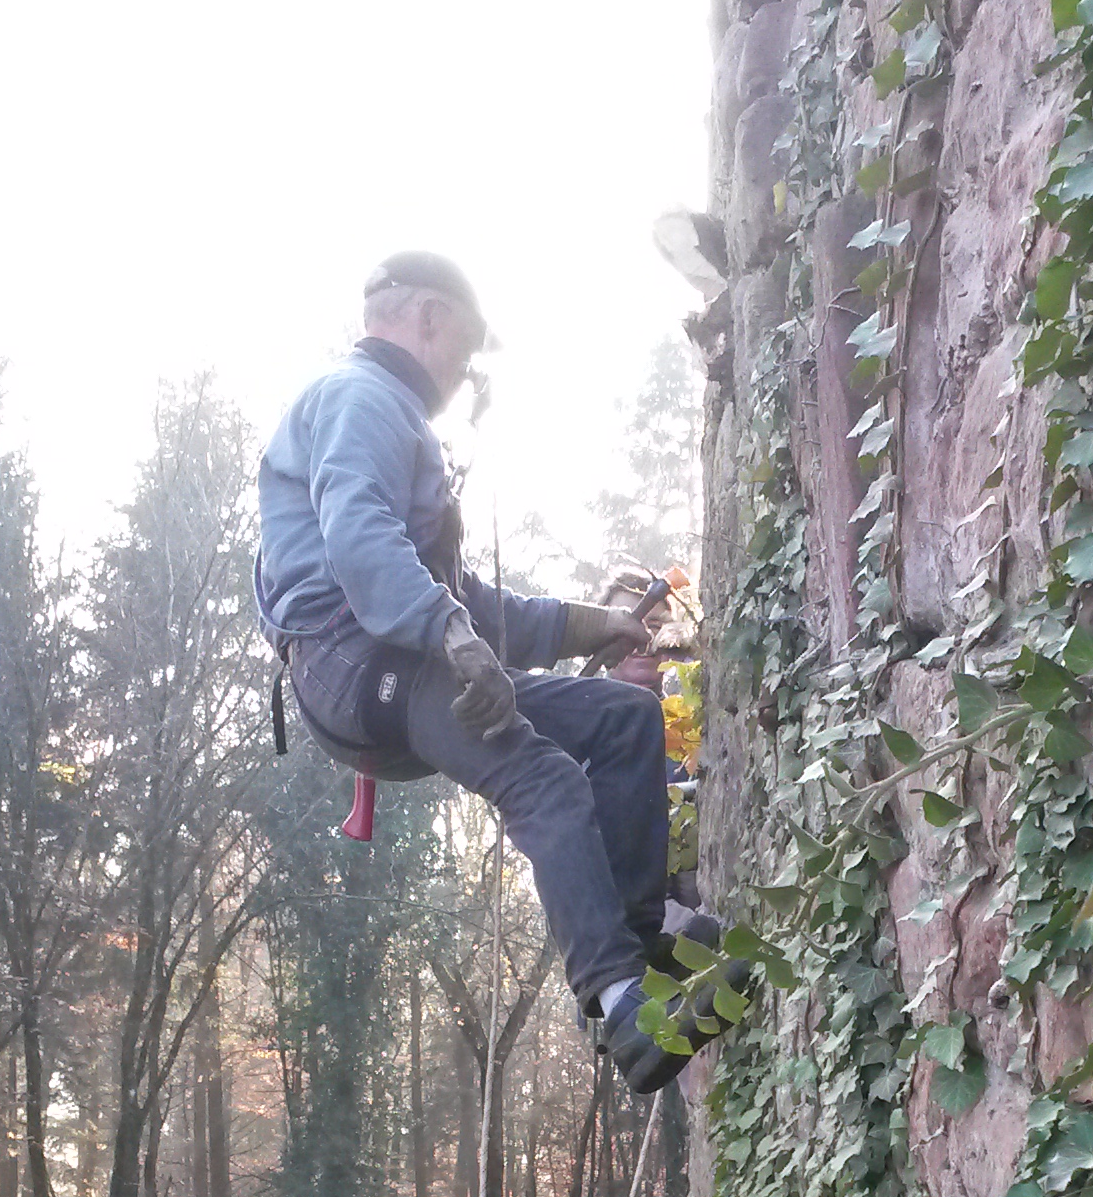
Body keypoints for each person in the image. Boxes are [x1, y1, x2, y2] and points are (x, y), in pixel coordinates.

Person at [254, 252, 738, 1094]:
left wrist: (585, 624)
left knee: (623, 722)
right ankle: (620, 1006)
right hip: (355, 661)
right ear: (428, 319)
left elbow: (465, 598)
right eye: (468, 345)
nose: (467, 368)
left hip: (399, 659)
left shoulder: (392, 417)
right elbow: (361, 540)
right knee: (542, 778)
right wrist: (448, 630)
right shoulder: (362, 398)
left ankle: (637, 962)